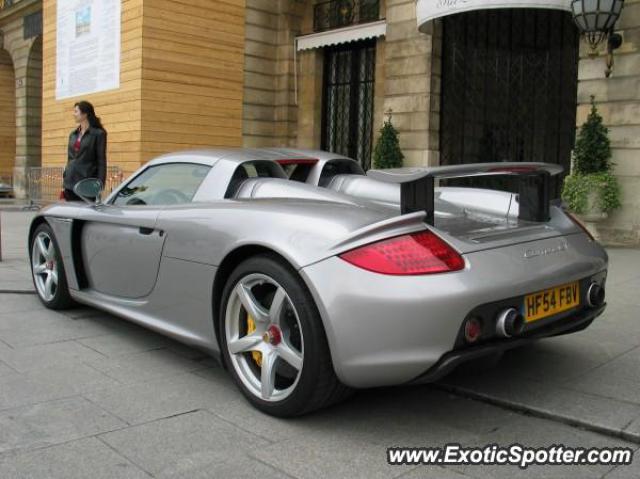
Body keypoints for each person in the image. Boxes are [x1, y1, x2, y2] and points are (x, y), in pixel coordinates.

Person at [63, 101, 107, 201]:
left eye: (76, 111)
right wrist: (66, 175)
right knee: (70, 214)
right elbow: (70, 158)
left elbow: (101, 161)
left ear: (85, 113)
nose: (73, 114)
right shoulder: (73, 134)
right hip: (69, 183)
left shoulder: (98, 134)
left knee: (83, 214)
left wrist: (100, 184)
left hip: (86, 183)